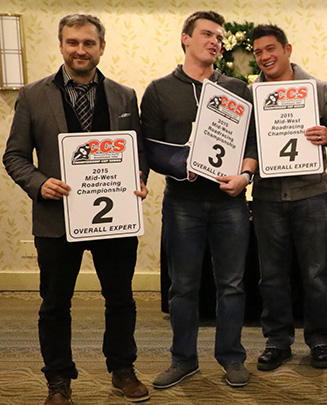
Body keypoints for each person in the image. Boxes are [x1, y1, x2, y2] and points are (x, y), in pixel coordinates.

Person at [3, 13, 150, 404]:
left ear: (101, 47)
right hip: (55, 220)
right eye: (72, 42)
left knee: (121, 298)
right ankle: (58, 381)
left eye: (88, 43)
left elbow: (137, 153)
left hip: (115, 219)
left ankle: (122, 370)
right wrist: (39, 183)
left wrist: (138, 178)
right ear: (62, 45)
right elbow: (15, 156)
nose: (80, 50)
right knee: (54, 305)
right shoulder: (34, 95)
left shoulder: (124, 95)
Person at [141, 10, 258, 389]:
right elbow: (150, 151)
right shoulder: (159, 90)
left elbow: (252, 145)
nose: (215, 42)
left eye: (219, 37)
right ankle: (183, 359)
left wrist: (245, 176)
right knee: (183, 287)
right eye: (207, 34)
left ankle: (231, 357)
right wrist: (183, 166)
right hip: (183, 202)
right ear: (185, 39)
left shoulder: (238, 89)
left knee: (233, 285)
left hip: (230, 203)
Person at [248, 24, 327, 371]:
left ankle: (320, 340)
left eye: (270, 49)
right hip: (267, 196)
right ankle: (277, 342)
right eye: (258, 52)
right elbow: (247, 145)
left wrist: (326, 134)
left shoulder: (316, 89)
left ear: (287, 49)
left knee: (315, 272)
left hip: (311, 194)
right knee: (271, 274)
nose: (265, 57)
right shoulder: (251, 94)